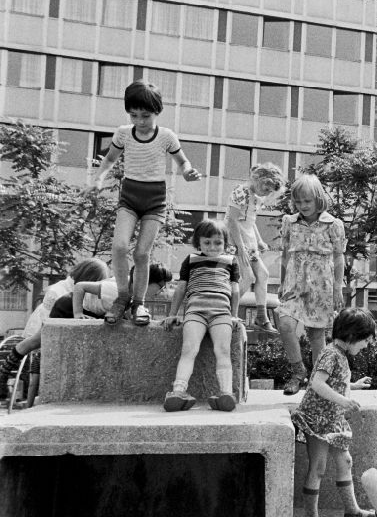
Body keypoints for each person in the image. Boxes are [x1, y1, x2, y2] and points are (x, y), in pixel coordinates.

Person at [89, 79, 202, 327]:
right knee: (119, 247)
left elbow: (183, 162)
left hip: (154, 200)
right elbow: (109, 160)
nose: (139, 121)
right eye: (134, 115)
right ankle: (122, 296)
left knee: (142, 253)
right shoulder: (123, 134)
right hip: (129, 196)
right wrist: (98, 178)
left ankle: (139, 303)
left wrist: (187, 172)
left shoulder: (166, 137)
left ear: (157, 112)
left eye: (146, 116)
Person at [290, 307, 377, 517]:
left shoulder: (339, 354)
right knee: (318, 468)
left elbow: (335, 381)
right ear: (351, 336)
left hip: (332, 420)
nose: (366, 346)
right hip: (318, 421)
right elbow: (317, 383)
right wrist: (344, 401)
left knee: (345, 461)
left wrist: (353, 385)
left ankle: (352, 512)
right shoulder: (331, 354)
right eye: (365, 341)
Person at [275, 174, 346, 395]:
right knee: (285, 324)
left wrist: (337, 288)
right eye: (298, 202)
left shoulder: (333, 225)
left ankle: (317, 382)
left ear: (318, 199)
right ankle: (298, 371)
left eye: (307, 201)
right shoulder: (290, 222)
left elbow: (338, 258)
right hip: (294, 285)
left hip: (320, 287)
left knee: (317, 336)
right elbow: (285, 254)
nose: (303, 206)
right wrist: (281, 281)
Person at [0, 258, 108, 401]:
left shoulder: (90, 291)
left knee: (40, 347)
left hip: (75, 315)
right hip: (57, 315)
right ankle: (4, 373)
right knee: (37, 343)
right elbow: (47, 320)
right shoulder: (59, 290)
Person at [162, 219, 242, 413]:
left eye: (218, 242)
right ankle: (178, 391)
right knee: (189, 348)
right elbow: (181, 288)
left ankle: (226, 393)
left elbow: (235, 290)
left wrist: (234, 315)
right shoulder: (190, 260)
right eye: (207, 243)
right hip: (195, 311)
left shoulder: (231, 261)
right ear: (198, 243)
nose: (212, 247)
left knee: (222, 350)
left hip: (221, 313)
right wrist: (172, 314)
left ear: (225, 243)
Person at [225, 163, 285, 334]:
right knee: (248, 277)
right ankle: (225, 309)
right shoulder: (241, 192)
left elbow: (250, 220)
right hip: (235, 241)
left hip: (248, 241)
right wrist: (240, 247)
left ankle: (261, 317)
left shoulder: (257, 197)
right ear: (258, 180)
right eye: (266, 189)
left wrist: (259, 241)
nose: (267, 194)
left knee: (263, 275)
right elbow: (232, 221)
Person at [68, 263, 173, 321]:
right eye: (161, 286)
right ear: (147, 281)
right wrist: (77, 313)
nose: (161, 291)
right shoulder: (117, 288)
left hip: (94, 311)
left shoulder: (135, 292)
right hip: (70, 306)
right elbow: (79, 286)